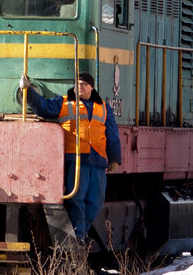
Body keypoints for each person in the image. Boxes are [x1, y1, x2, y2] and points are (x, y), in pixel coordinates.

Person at [18, 71, 120, 240]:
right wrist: (27, 91)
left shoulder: (103, 106)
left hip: (98, 160)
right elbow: (42, 107)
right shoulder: (63, 102)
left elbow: (112, 133)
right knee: (77, 199)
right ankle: (78, 236)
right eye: (77, 84)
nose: (80, 87)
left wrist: (114, 158)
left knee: (96, 200)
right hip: (77, 159)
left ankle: (82, 232)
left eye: (84, 84)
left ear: (92, 87)